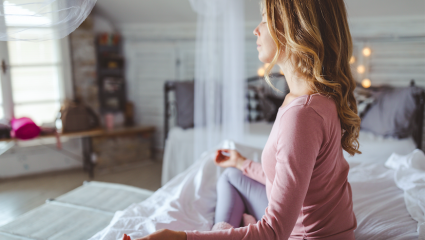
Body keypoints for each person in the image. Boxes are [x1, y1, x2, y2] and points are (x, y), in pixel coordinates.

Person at [124, 0, 360, 239]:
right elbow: (289, 179)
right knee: (232, 176)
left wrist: (181, 237)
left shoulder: (303, 115)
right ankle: (224, 230)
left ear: (294, 28)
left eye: (265, 20)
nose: (256, 29)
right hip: (324, 227)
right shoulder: (313, 98)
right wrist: (241, 163)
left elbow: (274, 231)